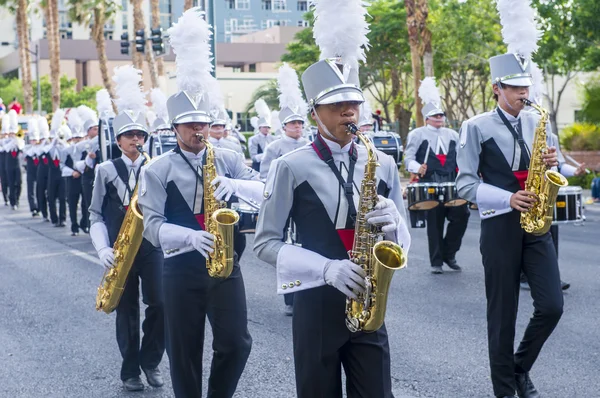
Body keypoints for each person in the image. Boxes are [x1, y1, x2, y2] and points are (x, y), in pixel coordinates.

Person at [254, 56, 411, 398]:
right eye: (336, 105)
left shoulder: (381, 162)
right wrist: (326, 268)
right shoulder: (289, 166)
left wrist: (395, 225)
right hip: (315, 301)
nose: (348, 112)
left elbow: (403, 241)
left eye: (353, 103)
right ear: (314, 112)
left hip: (368, 298)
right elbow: (264, 243)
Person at [138, 9, 264, 397]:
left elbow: (263, 191)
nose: (198, 131)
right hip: (180, 266)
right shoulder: (157, 168)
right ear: (174, 128)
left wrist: (234, 186)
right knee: (184, 351)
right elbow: (152, 225)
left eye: (203, 124)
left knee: (237, 343)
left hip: (226, 263)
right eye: (190, 125)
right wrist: (190, 238)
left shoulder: (226, 157)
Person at [456, 47, 564, 397]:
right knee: (502, 315)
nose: (523, 93)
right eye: (515, 87)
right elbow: (465, 184)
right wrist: (508, 198)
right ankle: (504, 389)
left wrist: (551, 164)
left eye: (526, 87)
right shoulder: (475, 127)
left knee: (551, 306)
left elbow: (554, 168)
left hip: (537, 223)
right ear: (496, 88)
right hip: (500, 224)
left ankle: (518, 368)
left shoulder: (539, 121)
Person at [89, 65, 165, 392]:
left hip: (151, 247)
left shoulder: (156, 168)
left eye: (140, 135)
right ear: (118, 140)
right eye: (130, 135)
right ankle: (130, 370)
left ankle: (151, 360)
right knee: (127, 310)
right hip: (121, 249)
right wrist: (102, 248)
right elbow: (94, 214)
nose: (136, 140)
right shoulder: (106, 170)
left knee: (161, 304)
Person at [404, 77, 470, 274]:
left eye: (441, 115)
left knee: (461, 216)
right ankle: (436, 261)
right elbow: (408, 158)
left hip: (451, 181)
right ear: (427, 118)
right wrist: (417, 167)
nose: (440, 118)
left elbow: (461, 157)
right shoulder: (417, 134)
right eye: (436, 116)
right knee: (434, 223)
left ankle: (449, 253)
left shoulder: (453, 134)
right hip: (429, 182)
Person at [259, 62, 310, 316]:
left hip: (306, 202)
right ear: (284, 126)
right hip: (283, 203)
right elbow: (265, 175)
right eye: (293, 124)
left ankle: (309, 291)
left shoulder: (309, 144)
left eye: (300, 123)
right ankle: (290, 298)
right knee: (286, 249)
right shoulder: (274, 147)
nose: (298, 127)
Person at [4, 109, 23, 210]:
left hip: (17, 164)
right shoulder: (6, 141)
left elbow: (21, 147)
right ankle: (12, 202)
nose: (12, 134)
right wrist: (12, 141)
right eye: (11, 133)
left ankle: (17, 198)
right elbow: (6, 148)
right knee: (11, 183)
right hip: (9, 164)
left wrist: (17, 140)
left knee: (19, 183)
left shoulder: (19, 140)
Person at [248, 106, 277, 171]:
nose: (267, 129)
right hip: (258, 167)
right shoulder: (253, 139)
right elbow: (254, 157)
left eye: (268, 127)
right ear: (259, 128)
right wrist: (267, 155)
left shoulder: (274, 138)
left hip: (272, 166)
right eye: (264, 127)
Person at [23, 118, 41, 216]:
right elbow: (27, 153)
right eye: (32, 139)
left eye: (35, 139)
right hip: (30, 171)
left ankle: (39, 206)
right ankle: (33, 207)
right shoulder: (27, 148)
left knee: (39, 189)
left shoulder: (40, 148)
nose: (34, 141)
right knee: (31, 189)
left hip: (39, 171)